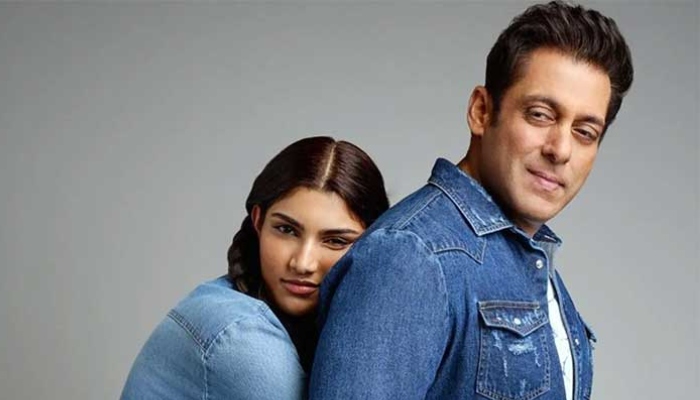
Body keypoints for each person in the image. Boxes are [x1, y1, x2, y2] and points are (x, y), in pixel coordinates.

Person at [309, 2, 633, 399]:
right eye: (540, 115)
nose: (560, 149)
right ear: (481, 111)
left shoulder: (531, 261)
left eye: (585, 132)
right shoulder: (410, 257)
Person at [120, 136, 389, 400]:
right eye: (286, 230)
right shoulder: (240, 336)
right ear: (258, 221)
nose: (302, 263)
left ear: (369, 245)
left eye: (335, 241)